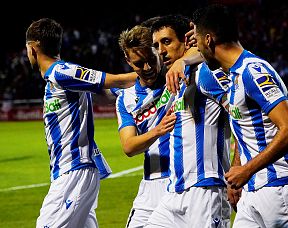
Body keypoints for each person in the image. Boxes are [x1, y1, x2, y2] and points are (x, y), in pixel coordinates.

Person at [190, 4, 288, 227]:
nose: (198, 49)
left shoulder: (253, 71)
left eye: (199, 41)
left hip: (282, 189)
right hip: (252, 193)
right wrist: (236, 170)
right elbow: (246, 127)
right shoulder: (233, 75)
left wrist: (247, 169)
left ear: (209, 39)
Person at [25, 18, 136, 228]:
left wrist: (156, 73)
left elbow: (116, 80)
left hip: (73, 170)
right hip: (71, 171)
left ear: (32, 49)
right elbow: (111, 88)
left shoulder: (61, 72)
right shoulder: (56, 78)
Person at [145, 14, 232, 227]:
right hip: (174, 192)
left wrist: (238, 167)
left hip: (205, 188)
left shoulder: (207, 73)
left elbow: (240, 113)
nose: (161, 50)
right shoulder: (175, 83)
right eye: (156, 45)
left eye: (167, 41)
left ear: (187, 41)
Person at [116, 25, 176, 228]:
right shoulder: (125, 99)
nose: (148, 68)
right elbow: (129, 146)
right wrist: (157, 130)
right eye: (139, 64)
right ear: (128, 62)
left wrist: (182, 61)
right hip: (149, 187)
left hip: (180, 181)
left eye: (151, 60)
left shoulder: (176, 76)